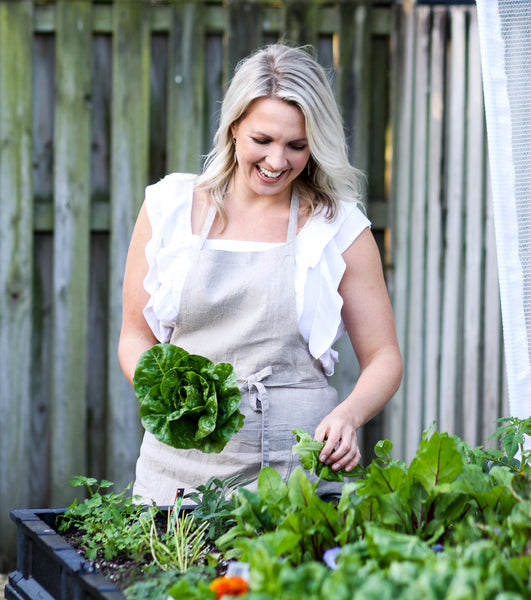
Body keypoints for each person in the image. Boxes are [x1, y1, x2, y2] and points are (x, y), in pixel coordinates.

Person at [118, 43, 403, 505]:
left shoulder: (337, 226)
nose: (277, 162)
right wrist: (166, 397)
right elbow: (134, 336)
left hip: (297, 475)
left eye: (297, 146)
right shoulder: (169, 207)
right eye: (263, 141)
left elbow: (385, 357)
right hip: (180, 471)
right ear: (233, 128)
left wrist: (349, 417)